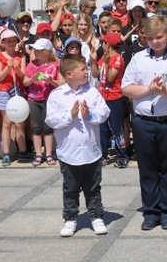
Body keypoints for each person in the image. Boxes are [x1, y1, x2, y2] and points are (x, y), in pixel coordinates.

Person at [122, 15, 167, 231]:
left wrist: (166, 91)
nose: (155, 41)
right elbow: (126, 88)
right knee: (148, 167)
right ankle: (151, 211)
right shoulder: (138, 59)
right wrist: (149, 89)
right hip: (144, 121)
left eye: (159, 37)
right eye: (151, 37)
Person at [45, 54, 111, 238]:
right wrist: (70, 115)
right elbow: (51, 120)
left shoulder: (92, 91)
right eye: (83, 69)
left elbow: (105, 111)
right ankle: (70, 218)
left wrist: (89, 115)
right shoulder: (57, 95)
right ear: (69, 74)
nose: (87, 72)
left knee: (93, 187)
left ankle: (96, 216)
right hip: (69, 154)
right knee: (70, 188)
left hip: (91, 152)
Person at [92, 32, 128, 168]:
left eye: (104, 42)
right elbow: (95, 74)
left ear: (108, 44)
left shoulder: (118, 58)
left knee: (116, 127)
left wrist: (106, 62)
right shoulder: (104, 57)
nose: (102, 45)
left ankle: (121, 155)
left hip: (114, 97)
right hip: (102, 97)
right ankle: (103, 154)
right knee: (102, 127)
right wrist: (94, 60)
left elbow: (111, 78)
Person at [23, 38, 60, 166]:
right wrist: (32, 78)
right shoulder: (32, 64)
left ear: (47, 52)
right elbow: (25, 82)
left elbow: (59, 85)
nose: (35, 52)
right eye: (35, 50)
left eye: (38, 50)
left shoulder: (55, 65)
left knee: (48, 128)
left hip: (49, 100)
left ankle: (49, 153)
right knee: (36, 128)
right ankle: (38, 154)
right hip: (34, 99)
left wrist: (50, 81)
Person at [0, 29, 28, 166]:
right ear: (3, 42)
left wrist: (17, 68)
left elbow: (22, 75)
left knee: (20, 122)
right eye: (8, 41)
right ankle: (6, 153)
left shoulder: (21, 56)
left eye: (14, 40)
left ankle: (23, 151)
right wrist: (8, 68)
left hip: (17, 91)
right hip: (3, 91)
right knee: (6, 123)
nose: (12, 43)